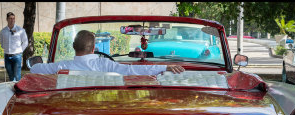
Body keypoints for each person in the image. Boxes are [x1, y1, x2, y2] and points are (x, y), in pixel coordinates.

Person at [30, 30, 184, 75]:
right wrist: (164, 67)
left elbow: (35, 68)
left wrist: (38, 65)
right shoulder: (104, 64)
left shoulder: (62, 66)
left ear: (73, 46)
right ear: (93, 49)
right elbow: (132, 69)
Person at [0, 12, 28, 81]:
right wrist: (6, 49)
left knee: (17, 75)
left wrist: (20, 51)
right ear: (7, 19)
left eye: (13, 18)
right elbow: (2, 42)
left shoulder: (20, 30)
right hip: (7, 56)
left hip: (17, 56)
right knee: (10, 76)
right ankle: (13, 89)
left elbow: (25, 42)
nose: (12, 20)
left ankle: (18, 90)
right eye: (10, 18)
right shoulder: (3, 31)